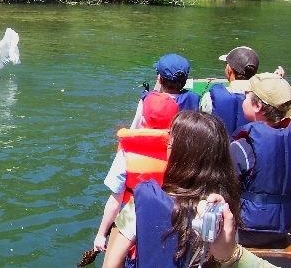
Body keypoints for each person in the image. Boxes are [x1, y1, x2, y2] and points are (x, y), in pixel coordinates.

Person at [103, 111, 243, 268]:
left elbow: (111, 265)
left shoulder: (144, 199)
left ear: (177, 154)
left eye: (170, 143)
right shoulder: (224, 213)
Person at [93, 92, 179, 251]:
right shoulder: (180, 152)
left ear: (143, 120)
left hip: (132, 225)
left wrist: (101, 234)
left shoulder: (126, 153)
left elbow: (115, 200)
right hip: (168, 223)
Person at [229, 73, 291, 247]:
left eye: (245, 96)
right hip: (284, 227)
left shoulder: (245, 144)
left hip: (248, 230)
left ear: (256, 106)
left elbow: (224, 183)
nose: (242, 99)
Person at [200, 46, 285, 138]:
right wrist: (275, 83)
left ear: (229, 69)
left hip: (220, 149)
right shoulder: (261, 101)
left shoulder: (210, 97)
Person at [130, 53, 200, 129]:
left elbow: (134, 130)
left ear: (159, 79)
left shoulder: (147, 100)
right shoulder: (195, 101)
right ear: (186, 80)